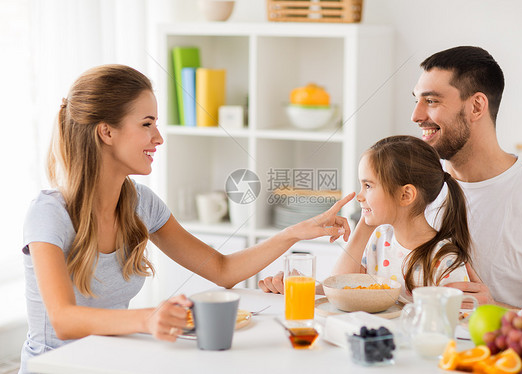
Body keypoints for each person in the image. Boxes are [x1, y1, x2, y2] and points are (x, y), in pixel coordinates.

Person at [19, 64, 354, 373]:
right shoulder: (50, 214)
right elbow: (63, 319)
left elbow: (221, 270)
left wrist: (293, 233)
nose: (158, 137)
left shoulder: (141, 204)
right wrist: (149, 319)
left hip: (112, 361)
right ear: (106, 132)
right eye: (147, 124)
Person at [411, 46, 522, 311]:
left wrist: (494, 308)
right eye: (417, 101)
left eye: (431, 101)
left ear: (477, 106)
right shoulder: (414, 189)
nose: (416, 116)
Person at [260, 136, 473, 302]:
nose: (359, 196)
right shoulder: (380, 239)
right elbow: (340, 288)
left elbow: (454, 323)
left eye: (368, 186)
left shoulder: (444, 260)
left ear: (405, 195)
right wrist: (299, 285)